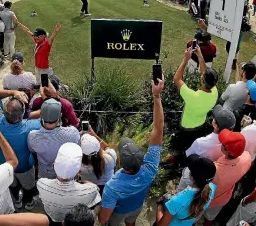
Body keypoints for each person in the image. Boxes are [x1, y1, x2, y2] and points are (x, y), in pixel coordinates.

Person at [98, 77, 164, 226]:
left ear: (119, 162)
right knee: (131, 222)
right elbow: (158, 129)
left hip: (118, 212)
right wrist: (156, 96)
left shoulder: (112, 186)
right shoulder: (150, 168)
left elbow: (102, 219)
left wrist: (107, 205)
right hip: (137, 207)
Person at [0, 94, 41, 210]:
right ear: (22, 114)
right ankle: (28, 203)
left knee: (12, 186)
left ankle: (17, 201)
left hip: (6, 166)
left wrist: (13, 92)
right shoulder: (30, 126)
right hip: (25, 167)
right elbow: (47, 119)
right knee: (29, 188)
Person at [38, 142, 101, 225]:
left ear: (53, 165)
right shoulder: (91, 190)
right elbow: (96, 192)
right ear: (79, 171)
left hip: (52, 220)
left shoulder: (41, 184)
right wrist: (84, 182)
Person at [172, 47, 219, 155]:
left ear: (202, 80)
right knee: (192, 147)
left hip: (186, 128)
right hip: (200, 126)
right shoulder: (214, 92)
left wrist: (185, 59)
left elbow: (176, 79)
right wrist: (200, 56)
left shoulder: (192, 96)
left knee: (182, 148)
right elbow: (205, 73)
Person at [202, 130, 251, 225]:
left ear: (226, 151)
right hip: (223, 198)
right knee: (210, 217)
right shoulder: (247, 158)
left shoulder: (215, 170)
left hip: (208, 198)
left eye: (223, 143)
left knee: (197, 213)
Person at [156, 154, 216, 226]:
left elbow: (161, 225)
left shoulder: (177, 201)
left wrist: (159, 205)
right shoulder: (212, 188)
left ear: (191, 177)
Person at [28, 98, 80, 179]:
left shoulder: (32, 136)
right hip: (65, 176)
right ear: (60, 116)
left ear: (40, 115)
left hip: (44, 176)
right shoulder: (73, 133)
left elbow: (31, 150)